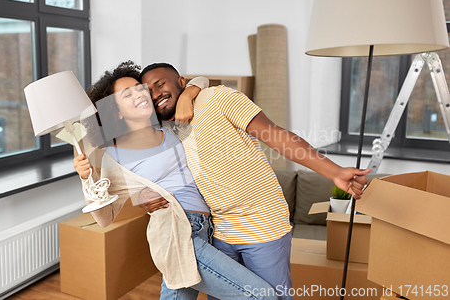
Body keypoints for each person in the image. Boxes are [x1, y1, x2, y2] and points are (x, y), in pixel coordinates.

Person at [139, 63, 371, 300]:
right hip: (219, 232)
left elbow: (275, 135)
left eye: (160, 84)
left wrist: (334, 171)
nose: (156, 94)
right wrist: (144, 197)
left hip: (263, 224)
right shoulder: (165, 132)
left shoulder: (216, 98)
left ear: (181, 82)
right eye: (148, 92)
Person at [74, 60, 278, 300]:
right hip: (177, 232)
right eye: (127, 94)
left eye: (140, 89)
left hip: (210, 228)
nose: (139, 95)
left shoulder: (171, 129)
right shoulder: (114, 156)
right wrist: (86, 178)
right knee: (262, 295)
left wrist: (188, 93)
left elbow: (201, 80)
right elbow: (104, 216)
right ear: (115, 110)